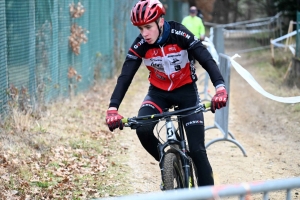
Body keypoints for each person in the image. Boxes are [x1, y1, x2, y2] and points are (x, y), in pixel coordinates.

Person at [105, 0, 228, 187]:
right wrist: (113, 108)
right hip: (158, 94)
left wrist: (220, 88)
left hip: (186, 92)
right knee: (142, 129)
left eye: (148, 27)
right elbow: (125, 77)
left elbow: (205, 58)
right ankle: (167, 163)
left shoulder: (180, 33)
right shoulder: (141, 44)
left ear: (160, 21)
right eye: (140, 29)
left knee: (197, 151)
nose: (144, 34)